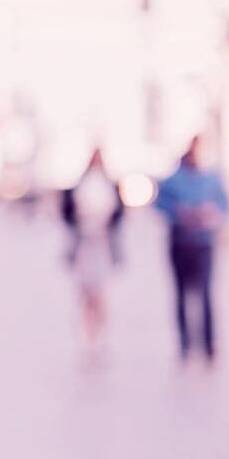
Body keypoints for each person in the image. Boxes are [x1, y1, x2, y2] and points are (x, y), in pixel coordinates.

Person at [154, 135, 229, 364]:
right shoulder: (174, 179)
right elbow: (160, 203)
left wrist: (212, 214)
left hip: (204, 243)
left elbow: (225, 206)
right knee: (181, 295)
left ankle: (208, 345)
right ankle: (185, 344)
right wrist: (179, 211)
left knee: (205, 294)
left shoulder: (212, 178)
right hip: (180, 243)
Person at [60, 148, 125, 365]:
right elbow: (66, 214)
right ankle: (87, 336)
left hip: (102, 245)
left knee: (100, 293)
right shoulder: (79, 186)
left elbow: (119, 216)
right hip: (84, 245)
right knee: (85, 293)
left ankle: (101, 335)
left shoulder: (111, 186)